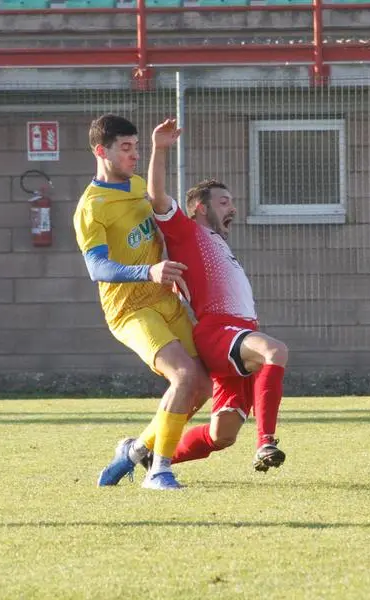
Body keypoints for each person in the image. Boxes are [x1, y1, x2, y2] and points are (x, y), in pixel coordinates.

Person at [72, 114, 210, 490]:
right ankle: (159, 470)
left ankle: (134, 452)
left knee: (202, 385)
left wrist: (160, 150)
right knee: (183, 376)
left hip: (163, 298)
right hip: (130, 309)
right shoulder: (91, 207)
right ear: (102, 151)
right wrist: (146, 272)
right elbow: (97, 267)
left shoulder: (135, 184)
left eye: (137, 147)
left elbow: (161, 203)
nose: (134, 155)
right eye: (126, 148)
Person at [146, 117, 289, 473]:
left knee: (221, 435)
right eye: (224, 202)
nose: (232, 209)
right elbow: (157, 197)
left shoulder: (220, 246)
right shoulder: (186, 230)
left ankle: (150, 457)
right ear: (199, 207)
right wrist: (159, 149)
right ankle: (266, 442)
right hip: (218, 333)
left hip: (238, 336)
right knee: (275, 351)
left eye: (232, 203)